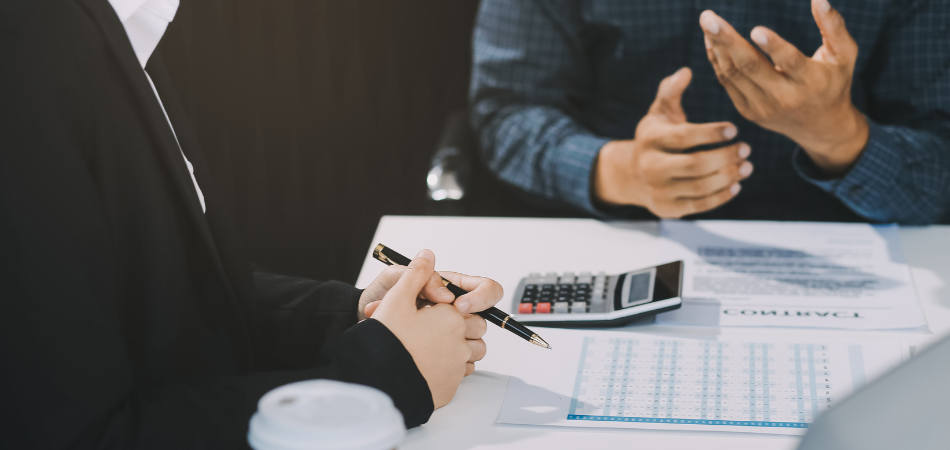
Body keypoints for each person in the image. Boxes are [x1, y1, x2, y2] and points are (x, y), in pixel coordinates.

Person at [0, 0, 501, 448]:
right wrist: (382, 376)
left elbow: (154, 296)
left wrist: (351, 313)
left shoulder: (111, 28)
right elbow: (80, 433)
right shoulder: (26, 49)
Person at [470, 0, 950, 224]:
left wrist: (837, 136)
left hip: (845, 241)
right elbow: (507, 113)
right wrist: (623, 169)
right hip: (624, 235)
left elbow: (938, 175)